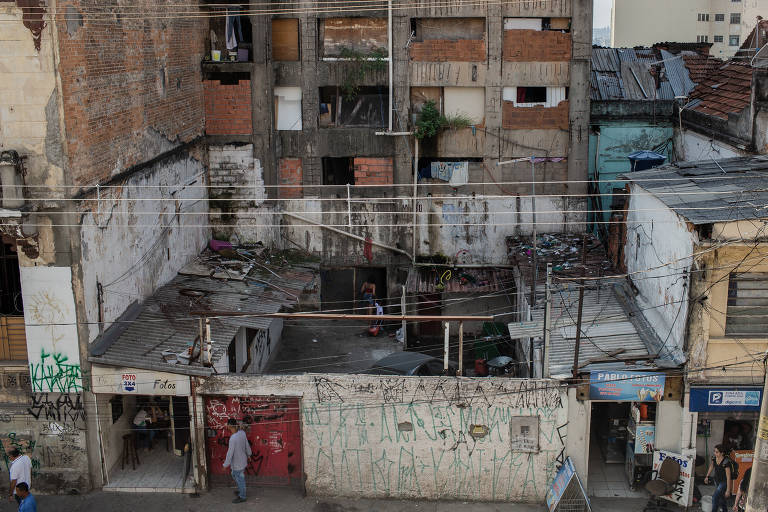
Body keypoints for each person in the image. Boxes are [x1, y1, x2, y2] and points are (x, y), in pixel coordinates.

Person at [223, 418, 251, 504]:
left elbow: (229, 453)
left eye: (227, 424)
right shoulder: (242, 433)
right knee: (235, 475)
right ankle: (241, 490)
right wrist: (249, 454)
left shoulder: (233, 438)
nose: (226, 426)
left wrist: (225, 465)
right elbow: (247, 444)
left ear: (229, 426)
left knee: (240, 479)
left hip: (238, 464)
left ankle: (242, 496)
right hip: (242, 461)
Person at [705, 444, 733, 512]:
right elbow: (711, 466)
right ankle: (725, 510)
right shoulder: (714, 458)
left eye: (717, 452)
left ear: (722, 453)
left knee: (714, 497)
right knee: (721, 498)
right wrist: (707, 476)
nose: (715, 453)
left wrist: (728, 490)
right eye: (714, 451)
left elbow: (728, 477)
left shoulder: (726, 462)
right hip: (716, 480)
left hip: (724, 482)